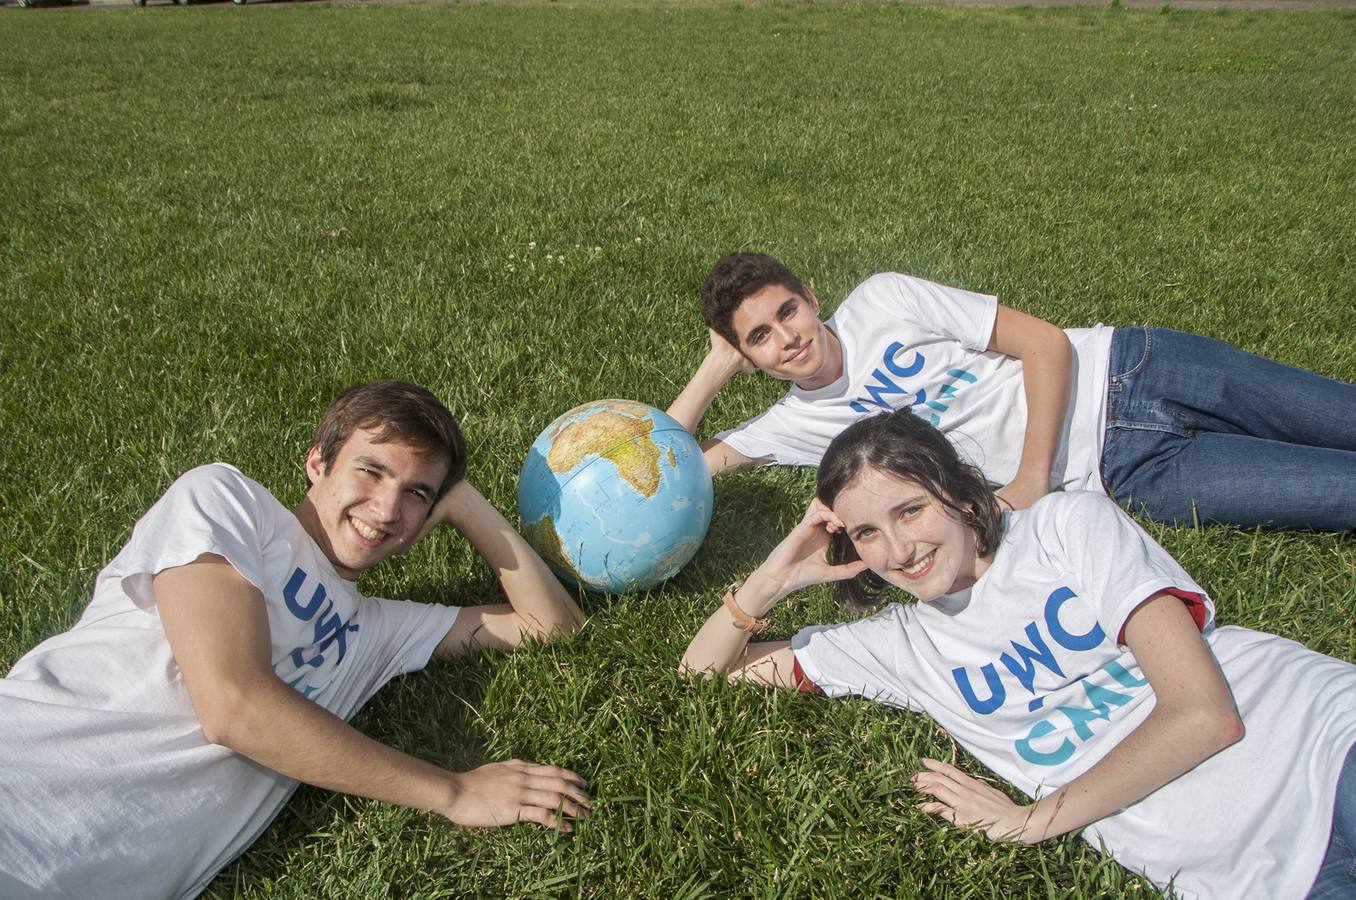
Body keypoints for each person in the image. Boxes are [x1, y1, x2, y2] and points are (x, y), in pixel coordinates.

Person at [680, 408, 1356, 899]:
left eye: (910, 511)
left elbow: (1205, 716)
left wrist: (1032, 821)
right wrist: (769, 582)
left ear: (958, 489)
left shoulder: (1067, 528)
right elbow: (704, 673)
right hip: (1261, 877)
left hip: (1324, 744)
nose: (899, 550)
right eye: (866, 533)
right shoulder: (897, 645)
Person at [0, 381, 590, 900]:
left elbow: (553, 626)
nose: (387, 509)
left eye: (417, 494)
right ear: (317, 463)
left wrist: (465, 502)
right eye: (371, 470)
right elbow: (232, 704)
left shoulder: (379, 628)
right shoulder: (227, 503)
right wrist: (455, 792)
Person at [666, 252, 1356, 530]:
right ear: (748, 358)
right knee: (1336, 493)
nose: (785, 337)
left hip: (1131, 367)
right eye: (757, 338)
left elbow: (1045, 342)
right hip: (1126, 472)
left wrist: (1028, 482)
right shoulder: (793, 425)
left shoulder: (883, 300)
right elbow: (667, 473)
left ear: (811, 298)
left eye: (786, 311)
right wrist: (713, 369)